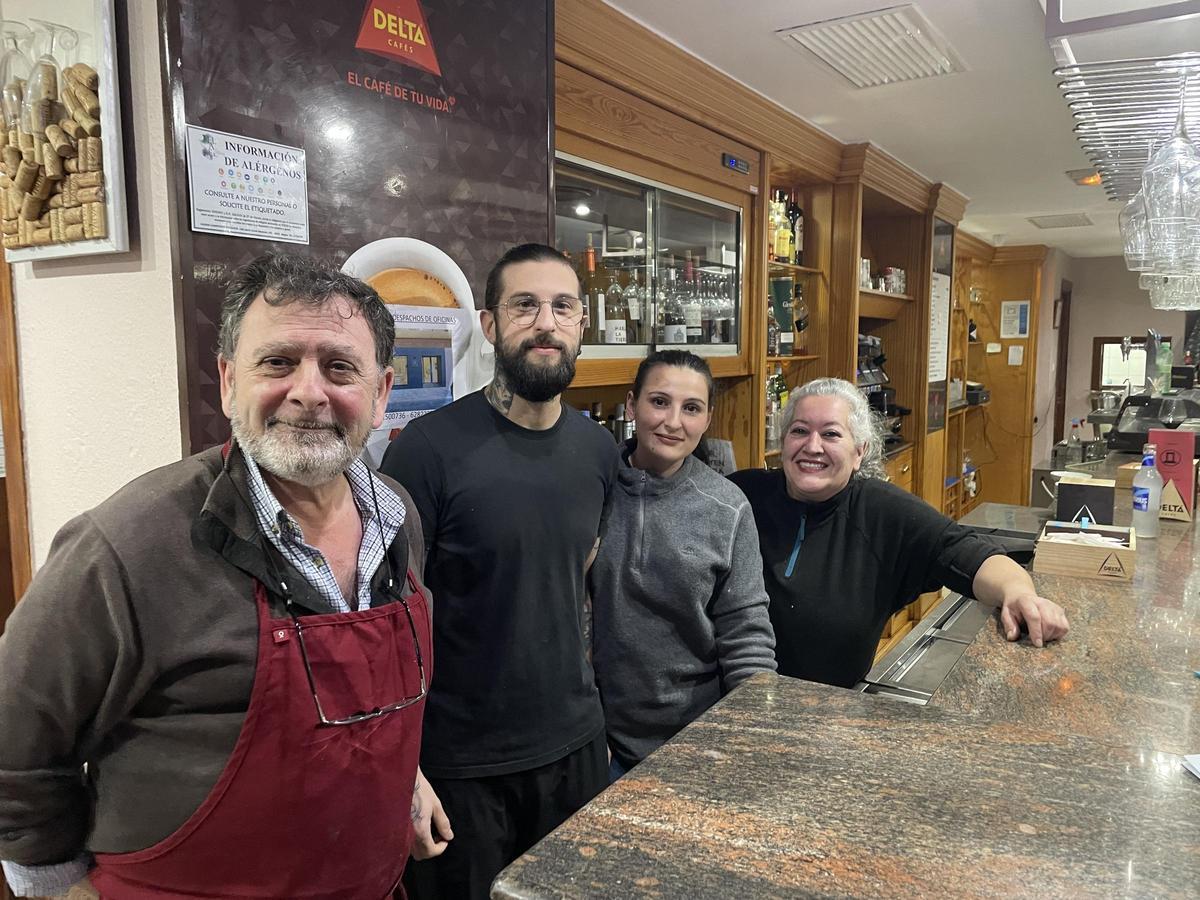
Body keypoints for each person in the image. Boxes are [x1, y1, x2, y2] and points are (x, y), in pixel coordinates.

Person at [0, 253, 434, 899]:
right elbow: (13, 748)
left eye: (339, 367)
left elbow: (363, 712)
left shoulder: (397, 518)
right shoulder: (129, 543)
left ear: (380, 394)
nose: (309, 392)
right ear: (229, 381)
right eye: (278, 362)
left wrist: (406, 781)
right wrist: (54, 887)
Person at [380, 242, 618, 900]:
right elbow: (384, 622)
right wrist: (404, 770)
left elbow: (578, 576)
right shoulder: (426, 452)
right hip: (461, 766)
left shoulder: (598, 451)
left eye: (562, 306)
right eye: (525, 305)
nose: (546, 322)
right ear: (489, 326)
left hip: (573, 747)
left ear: (580, 324)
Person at [729, 377, 1069, 689]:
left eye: (831, 434)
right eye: (799, 431)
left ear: (859, 451)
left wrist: (1018, 592)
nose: (812, 446)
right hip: (724, 702)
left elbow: (968, 554)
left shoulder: (882, 512)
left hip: (826, 716)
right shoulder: (741, 494)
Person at [590, 350, 776, 780]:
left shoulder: (727, 508)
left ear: (708, 418)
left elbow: (745, 631)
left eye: (691, 408)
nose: (673, 421)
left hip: (698, 741)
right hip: (598, 743)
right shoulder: (590, 492)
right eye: (659, 402)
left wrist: (752, 729)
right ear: (632, 404)